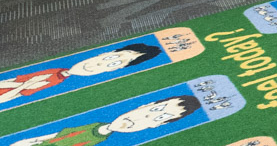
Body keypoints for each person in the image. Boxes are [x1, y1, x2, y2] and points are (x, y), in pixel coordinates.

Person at [1, 95, 201, 146]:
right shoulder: (94, 127)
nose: (141, 119)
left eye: (158, 118)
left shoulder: (100, 139)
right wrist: (30, 142)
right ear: (145, 104)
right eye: (154, 110)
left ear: (156, 126)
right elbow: (59, 135)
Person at [0, 43, 164, 107]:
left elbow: (24, 90)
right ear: (106, 52)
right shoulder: (57, 72)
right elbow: (20, 82)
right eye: (111, 57)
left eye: (114, 64)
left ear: (113, 70)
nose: (100, 63)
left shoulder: (59, 79)